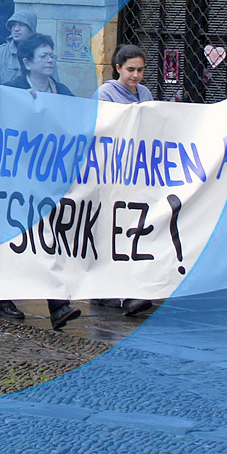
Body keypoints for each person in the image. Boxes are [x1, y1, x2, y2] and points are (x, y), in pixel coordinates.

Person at [0, 33, 82, 330]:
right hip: (18, 179)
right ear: (27, 62)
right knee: (18, 239)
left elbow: (76, 125)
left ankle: (58, 305)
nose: (50, 60)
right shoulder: (13, 89)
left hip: (50, 177)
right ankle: (1, 297)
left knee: (49, 238)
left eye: (52, 55)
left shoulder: (63, 90)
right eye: (43, 56)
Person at [95, 43, 156, 318]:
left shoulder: (144, 93)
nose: (136, 75)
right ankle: (116, 291)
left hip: (136, 171)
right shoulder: (106, 92)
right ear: (118, 68)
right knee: (113, 229)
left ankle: (126, 289)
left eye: (140, 70)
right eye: (130, 69)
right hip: (112, 171)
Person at [0, 9, 58, 86]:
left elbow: (54, 84)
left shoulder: (44, 54)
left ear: (31, 28)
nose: (16, 29)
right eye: (13, 25)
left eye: (21, 25)